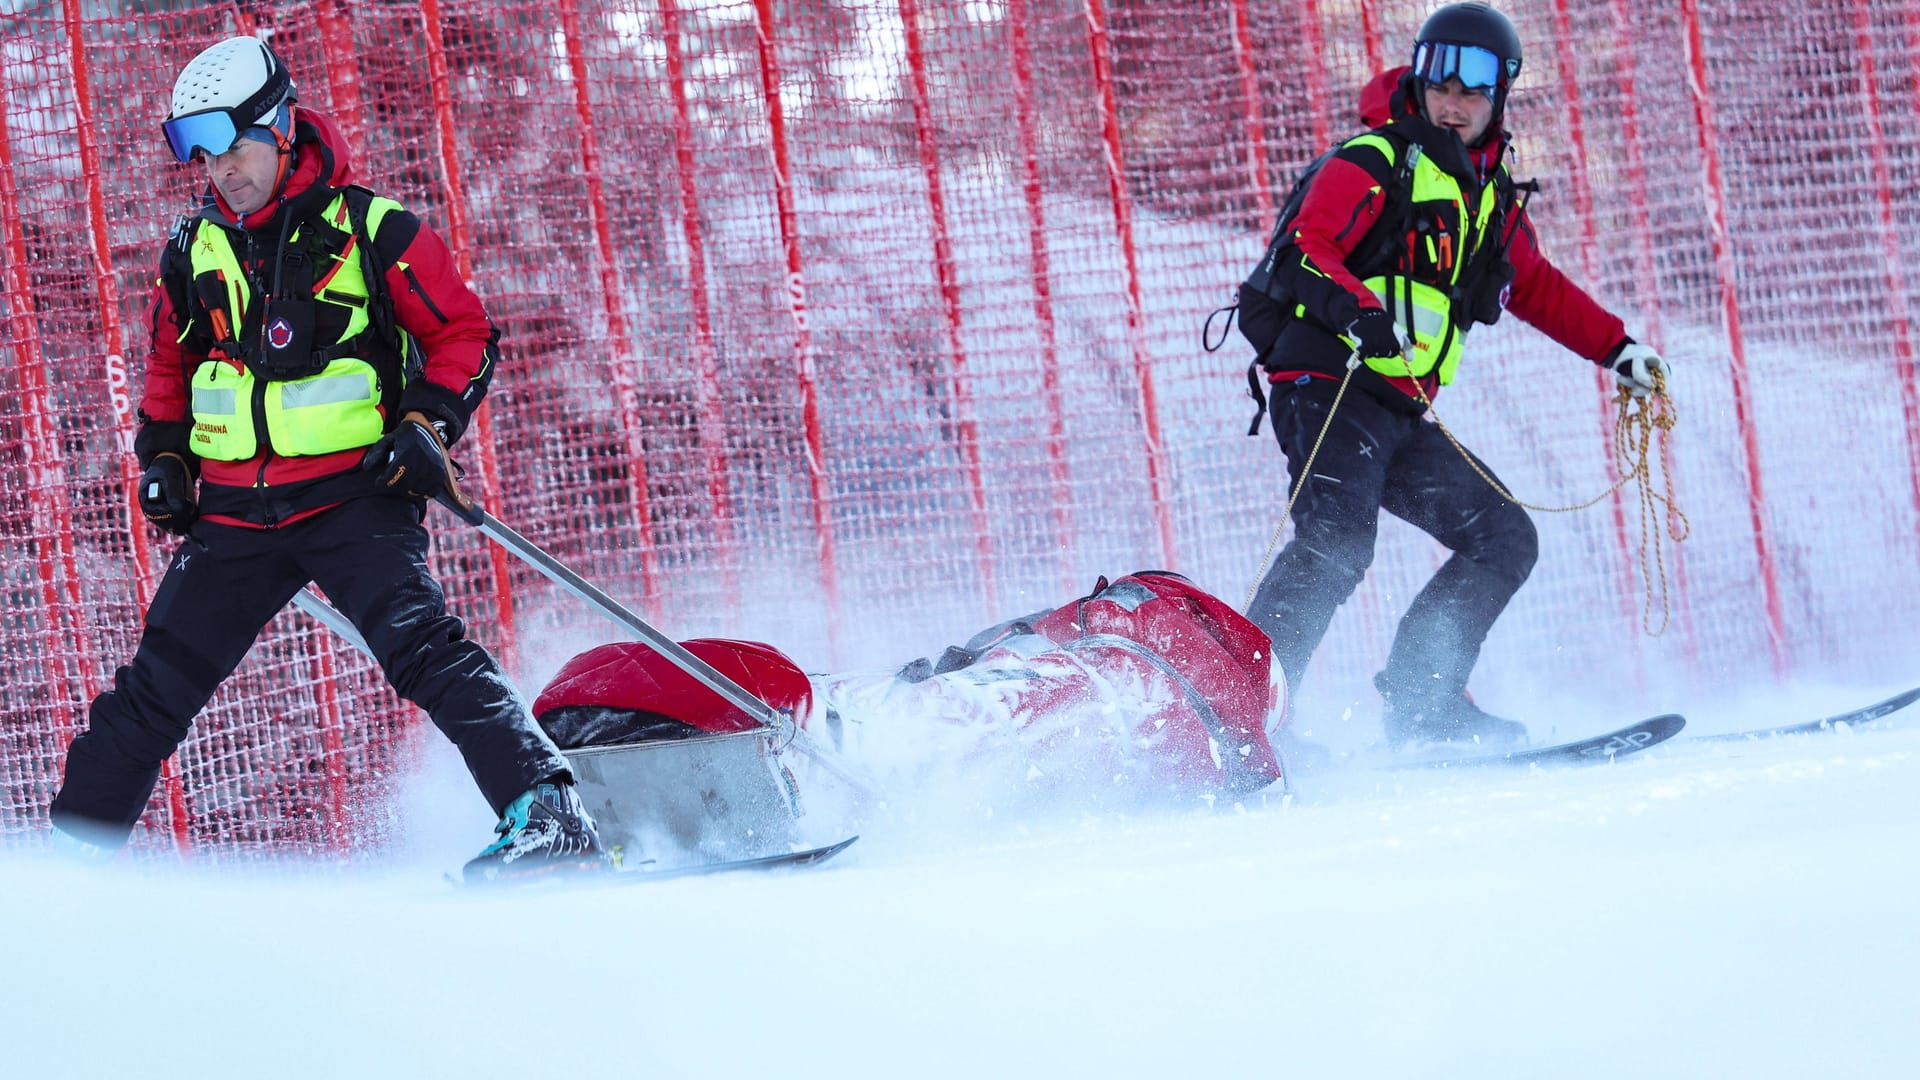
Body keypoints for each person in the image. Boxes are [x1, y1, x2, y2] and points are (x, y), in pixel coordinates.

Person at [48, 35, 604, 881]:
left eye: (233, 145)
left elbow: (464, 334)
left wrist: (426, 426)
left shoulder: (375, 231)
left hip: (355, 497)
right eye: (200, 152)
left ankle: (549, 816)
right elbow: (172, 362)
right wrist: (164, 455)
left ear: (280, 127)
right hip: (235, 512)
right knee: (151, 695)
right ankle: (65, 871)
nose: (220, 169)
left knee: (426, 651)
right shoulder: (193, 248)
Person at [1237, 3, 1669, 748]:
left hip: (1397, 407)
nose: (1453, 97)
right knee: (1336, 542)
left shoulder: (1491, 200)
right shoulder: (1374, 160)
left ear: (1500, 95)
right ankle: (1240, 718)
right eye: (1440, 75)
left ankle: (1422, 704)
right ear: (1420, 74)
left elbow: (1537, 288)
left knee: (1503, 538)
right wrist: (1354, 311)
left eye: (1474, 85)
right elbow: (1307, 247)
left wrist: (1618, 351)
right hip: (1328, 383)